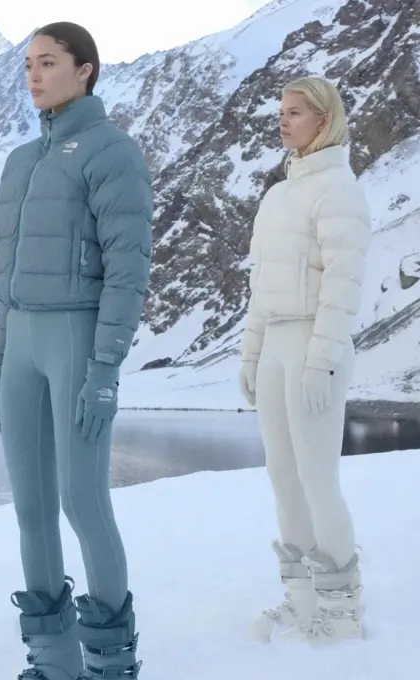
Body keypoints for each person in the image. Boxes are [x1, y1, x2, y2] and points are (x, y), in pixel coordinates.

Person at [0, 22, 152, 680]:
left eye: (49, 62)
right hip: (21, 344)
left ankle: (110, 667)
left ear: (85, 70)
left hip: (77, 341)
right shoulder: (20, 161)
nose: (34, 74)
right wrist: (0, 364)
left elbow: (128, 270)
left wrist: (105, 368)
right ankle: (54, 665)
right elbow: (7, 280)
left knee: (83, 502)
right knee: (30, 508)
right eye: (29, 63)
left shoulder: (113, 152)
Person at [238, 76, 371, 644]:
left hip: (315, 345)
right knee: (283, 476)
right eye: (281, 111)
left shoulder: (339, 190)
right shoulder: (277, 196)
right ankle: (303, 600)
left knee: (318, 478)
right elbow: (260, 286)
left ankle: (342, 612)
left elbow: (343, 286)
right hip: (275, 346)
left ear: (324, 118)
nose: (282, 121)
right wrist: (251, 355)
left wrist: (322, 361)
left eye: (295, 112)